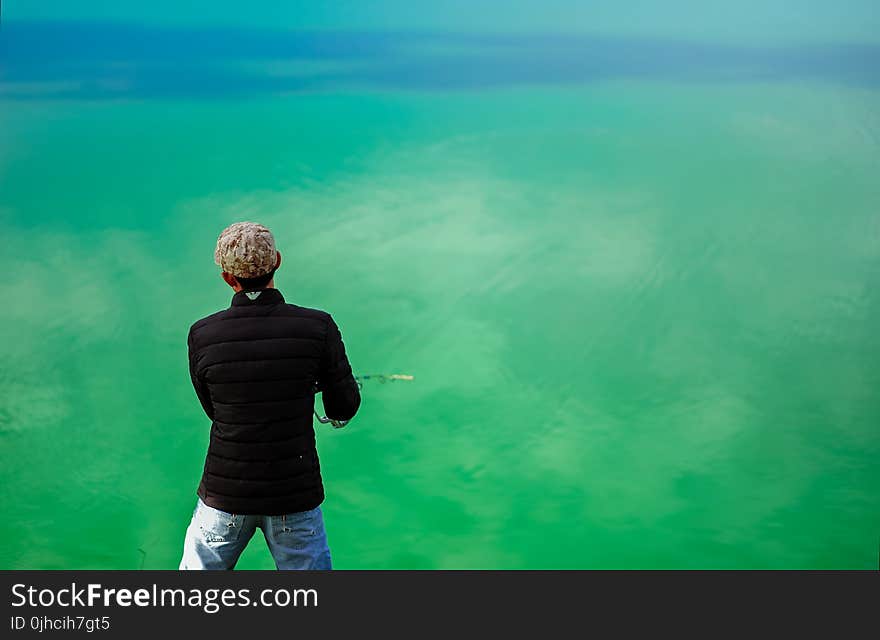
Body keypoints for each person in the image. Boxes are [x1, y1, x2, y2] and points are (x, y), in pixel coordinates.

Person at [178, 221, 361, 570]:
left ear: (227, 278)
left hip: (224, 493)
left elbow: (214, 409)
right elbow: (344, 406)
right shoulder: (317, 327)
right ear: (277, 260)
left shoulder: (203, 334)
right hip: (294, 493)